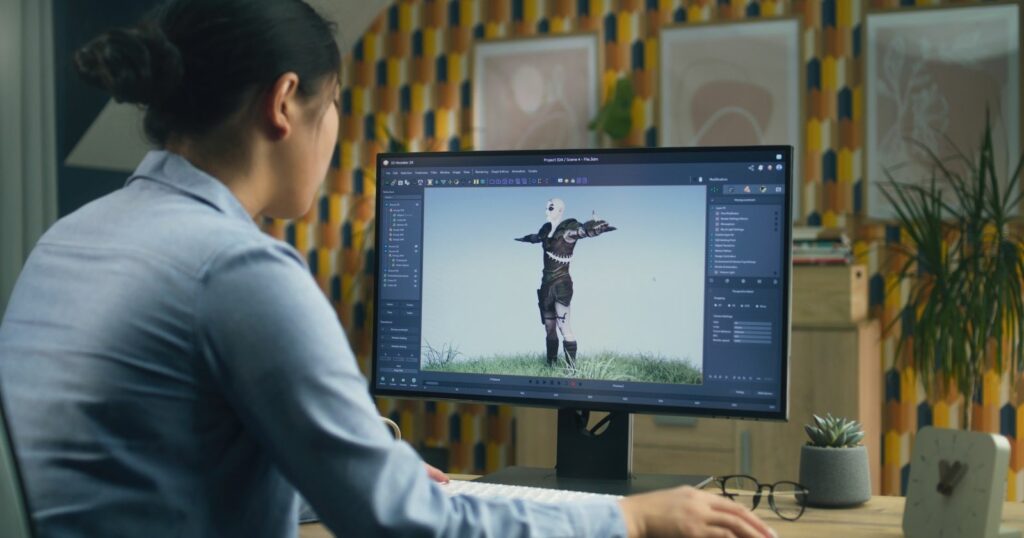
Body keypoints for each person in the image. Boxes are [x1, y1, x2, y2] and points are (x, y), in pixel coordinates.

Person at [0, 1, 777, 537]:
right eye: (335, 104)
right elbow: (405, 526)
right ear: (285, 104)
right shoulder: (236, 270)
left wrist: (354, 470)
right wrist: (634, 518)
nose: (334, 130)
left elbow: (145, 466)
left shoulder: (65, 242)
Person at [515, 198, 615, 371]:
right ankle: (551, 366)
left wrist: (593, 228)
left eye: (551, 208)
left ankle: (571, 369)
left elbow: (581, 231)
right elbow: (536, 237)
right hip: (546, 286)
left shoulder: (567, 231)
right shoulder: (547, 233)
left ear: (560, 210)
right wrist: (525, 238)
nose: (547, 212)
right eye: (547, 208)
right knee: (549, 328)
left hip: (561, 285)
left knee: (564, 327)